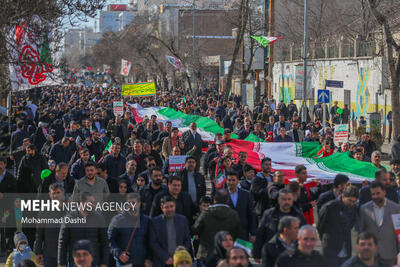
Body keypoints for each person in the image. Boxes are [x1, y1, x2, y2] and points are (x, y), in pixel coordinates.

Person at [253, 188, 306, 261]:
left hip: (292, 256)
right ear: (278, 200)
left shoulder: (298, 215)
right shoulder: (269, 214)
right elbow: (260, 233)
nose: (287, 201)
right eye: (284, 199)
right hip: (272, 254)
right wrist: (256, 253)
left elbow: (304, 235)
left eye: (289, 199)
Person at [58, 192, 108, 267]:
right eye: (90, 203)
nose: (93, 205)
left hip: (94, 263)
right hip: (75, 263)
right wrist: (61, 263)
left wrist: (104, 263)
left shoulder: (99, 219)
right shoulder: (69, 219)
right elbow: (62, 243)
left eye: (93, 203)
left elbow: (104, 242)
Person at [192, 189, 242, 261]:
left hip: (206, 254)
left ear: (214, 199)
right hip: (226, 255)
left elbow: (195, 230)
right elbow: (239, 234)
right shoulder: (234, 214)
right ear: (228, 200)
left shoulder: (206, 213)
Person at [360, 181, 400, 266]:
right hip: (371, 254)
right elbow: (362, 232)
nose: (375, 196)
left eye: (378, 193)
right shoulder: (364, 209)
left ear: (384, 192)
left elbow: (399, 232)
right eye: (373, 194)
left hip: (390, 253)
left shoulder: (396, 209)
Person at [317, 186, 359, 267]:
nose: (351, 203)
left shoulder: (353, 208)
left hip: (346, 248)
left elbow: (350, 225)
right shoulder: (329, 207)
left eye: (354, 201)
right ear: (343, 196)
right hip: (330, 248)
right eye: (349, 200)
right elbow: (320, 227)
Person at [108, 193, 152, 267]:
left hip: (143, 263)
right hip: (124, 262)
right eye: (128, 203)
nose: (131, 206)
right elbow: (109, 240)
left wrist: (149, 258)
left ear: (139, 203)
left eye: (133, 203)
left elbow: (152, 242)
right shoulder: (117, 220)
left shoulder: (147, 220)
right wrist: (119, 253)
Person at [149, 195, 191, 267]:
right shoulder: (155, 222)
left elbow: (187, 239)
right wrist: (165, 257)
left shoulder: (183, 220)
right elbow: (153, 242)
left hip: (179, 262)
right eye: (166, 207)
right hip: (161, 262)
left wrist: (181, 255)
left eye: (171, 206)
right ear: (162, 208)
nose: (169, 209)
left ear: (175, 206)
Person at [34, 183, 66, 267]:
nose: (55, 195)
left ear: (63, 193)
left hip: (66, 254)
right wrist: (38, 252)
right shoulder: (44, 210)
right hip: (49, 254)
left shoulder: (70, 210)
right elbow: (39, 233)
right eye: (53, 193)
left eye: (58, 192)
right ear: (49, 194)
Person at [225, 171, 256, 241]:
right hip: (226, 234)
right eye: (229, 180)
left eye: (233, 180)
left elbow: (251, 214)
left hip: (243, 233)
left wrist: (253, 233)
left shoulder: (246, 195)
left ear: (238, 181)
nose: (231, 182)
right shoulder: (221, 195)